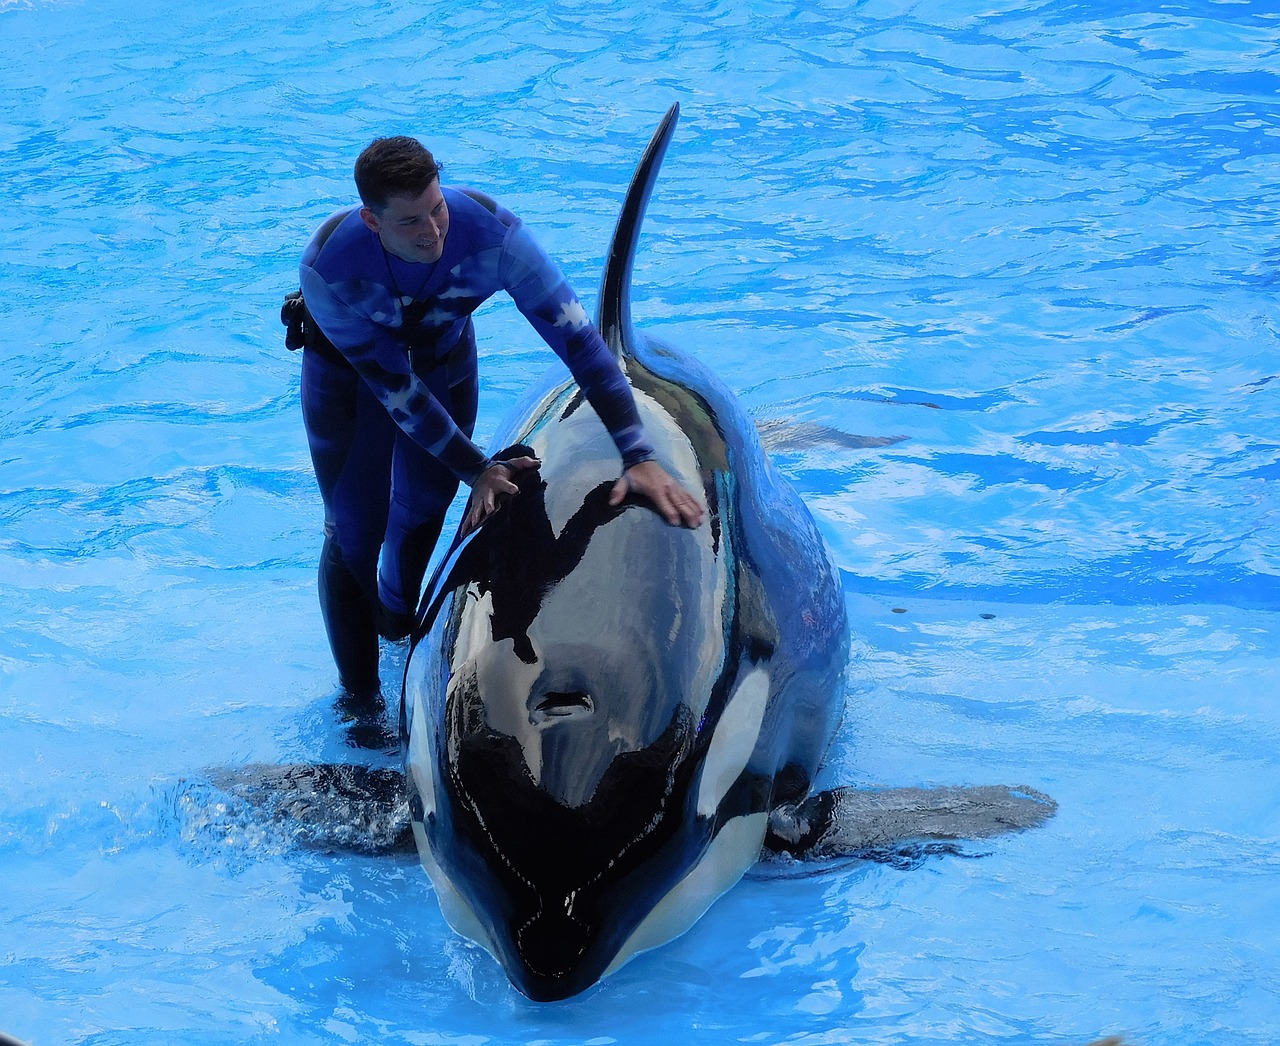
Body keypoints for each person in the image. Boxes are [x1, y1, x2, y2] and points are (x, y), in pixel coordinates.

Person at [292, 135, 704, 703]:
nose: (433, 231)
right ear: (372, 220)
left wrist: (638, 454)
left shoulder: (493, 234)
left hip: (442, 358)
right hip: (349, 382)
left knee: (425, 505)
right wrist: (478, 468)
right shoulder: (329, 267)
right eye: (411, 221)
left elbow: (581, 344)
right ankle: (359, 703)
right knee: (354, 530)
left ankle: (395, 623)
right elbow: (395, 390)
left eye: (437, 209)